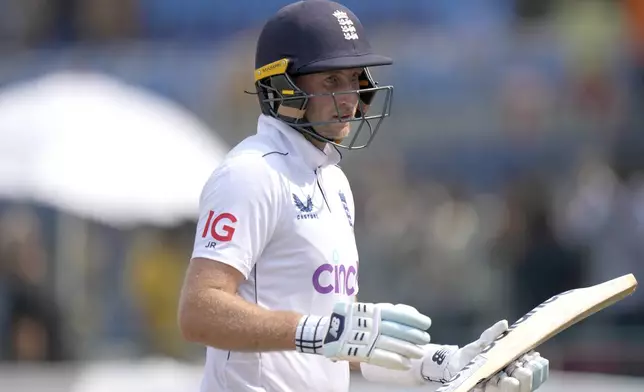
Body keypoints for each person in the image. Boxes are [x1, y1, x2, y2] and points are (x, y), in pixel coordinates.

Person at [177, 1, 550, 391]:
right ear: (282, 86)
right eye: (331, 82)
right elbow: (199, 311)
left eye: (355, 79)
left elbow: (341, 341)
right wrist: (317, 331)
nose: (350, 98)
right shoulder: (251, 173)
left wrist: (438, 363)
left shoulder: (334, 182)